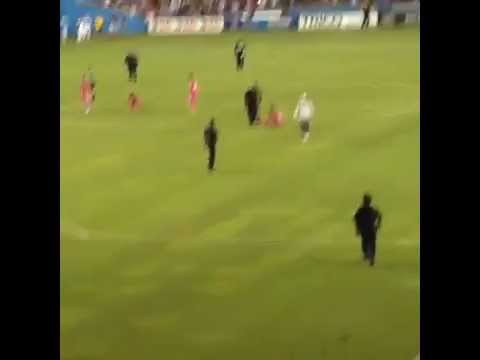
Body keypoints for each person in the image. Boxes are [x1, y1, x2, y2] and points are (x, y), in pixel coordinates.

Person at [354, 194, 382, 266]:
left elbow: (356, 219)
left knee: (365, 242)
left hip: (365, 229)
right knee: (371, 243)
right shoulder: (372, 209)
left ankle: (368, 254)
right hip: (371, 229)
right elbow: (379, 215)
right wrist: (378, 224)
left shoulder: (361, 210)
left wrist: (357, 229)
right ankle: (371, 256)